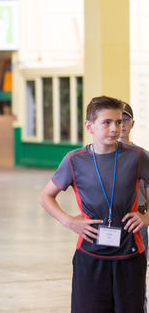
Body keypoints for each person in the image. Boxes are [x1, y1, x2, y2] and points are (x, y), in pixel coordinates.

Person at [39, 96, 149, 313]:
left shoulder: (137, 156)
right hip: (89, 255)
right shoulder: (74, 159)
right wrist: (70, 222)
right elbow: (46, 196)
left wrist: (147, 218)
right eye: (106, 122)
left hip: (130, 254)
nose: (114, 128)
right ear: (89, 126)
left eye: (118, 122)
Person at [118, 102, 149, 312]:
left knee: (136, 279)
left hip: (137, 223)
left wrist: (145, 218)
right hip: (110, 223)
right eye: (115, 120)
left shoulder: (142, 156)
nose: (120, 125)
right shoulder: (98, 155)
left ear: (132, 123)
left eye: (125, 120)